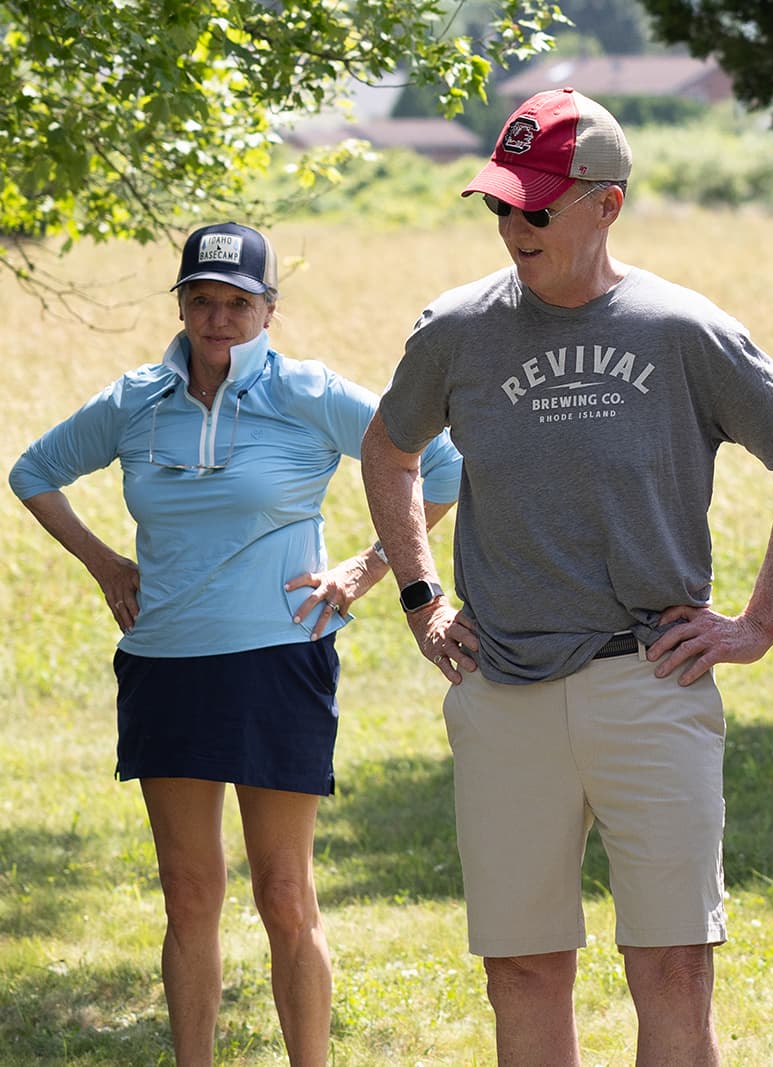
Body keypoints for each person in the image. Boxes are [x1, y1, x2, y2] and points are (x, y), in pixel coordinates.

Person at [359, 87, 773, 1065]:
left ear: (606, 204)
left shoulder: (681, 329)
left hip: (651, 679)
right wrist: (420, 595)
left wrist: (758, 622)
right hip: (502, 688)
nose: (512, 226)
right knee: (523, 971)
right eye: (499, 204)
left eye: (535, 207)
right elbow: (387, 452)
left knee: (670, 969)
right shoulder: (455, 331)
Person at [8, 222, 462, 1065]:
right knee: (188, 893)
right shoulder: (135, 399)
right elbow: (32, 472)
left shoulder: (308, 391)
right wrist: (107, 563)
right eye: (201, 300)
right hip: (165, 661)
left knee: (284, 893)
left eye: (237, 303)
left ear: (269, 310)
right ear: (180, 304)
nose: (218, 318)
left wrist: (366, 570)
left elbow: (438, 464)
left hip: (277, 661)